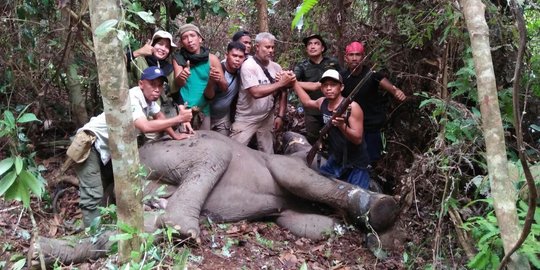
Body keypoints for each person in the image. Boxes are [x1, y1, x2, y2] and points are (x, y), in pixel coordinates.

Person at [67, 66, 193, 227]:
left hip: (108, 149)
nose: (157, 89)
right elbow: (145, 127)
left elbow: (159, 115)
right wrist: (178, 119)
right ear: (141, 84)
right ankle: (92, 236)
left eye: (160, 85)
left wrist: (175, 135)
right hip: (90, 144)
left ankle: (105, 221)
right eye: (152, 84)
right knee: (93, 193)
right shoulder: (132, 98)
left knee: (109, 185)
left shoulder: (149, 100)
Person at [292, 69, 371, 188]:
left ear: (341, 87)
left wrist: (342, 126)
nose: (329, 88)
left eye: (333, 85)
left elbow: (358, 139)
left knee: (359, 197)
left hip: (356, 162)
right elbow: (307, 102)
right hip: (336, 158)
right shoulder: (322, 102)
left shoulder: (352, 107)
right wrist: (294, 83)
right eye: (325, 85)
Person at [230, 32, 295, 154]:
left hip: (266, 117)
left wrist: (280, 116)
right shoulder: (248, 66)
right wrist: (280, 83)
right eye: (267, 47)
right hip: (246, 117)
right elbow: (255, 92)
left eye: (272, 47)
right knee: (235, 151)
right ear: (257, 47)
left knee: (268, 153)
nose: (270, 50)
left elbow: (283, 93)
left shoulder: (276, 67)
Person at [341, 41, 406, 164]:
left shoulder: (372, 74)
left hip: (371, 125)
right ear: (346, 57)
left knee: (372, 159)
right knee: (352, 158)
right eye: (351, 55)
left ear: (363, 57)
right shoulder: (342, 76)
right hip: (351, 125)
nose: (354, 58)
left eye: (358, 55)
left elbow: (389, 86)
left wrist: (396, 91)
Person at [173, 23, 227, 130]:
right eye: (185, 37)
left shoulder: (211, 59)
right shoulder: (178, 59)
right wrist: (182, 76)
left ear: (200, 39)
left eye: (192, 35)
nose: (189, 40)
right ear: (181, 43)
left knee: (204, 143)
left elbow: (225, 87)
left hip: (203, 110)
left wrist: (218, 79)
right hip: (183, 110)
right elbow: (178, 84)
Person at [293, 34, 341, 144]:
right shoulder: (302, 66)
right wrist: (313, 85)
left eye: (316, 43)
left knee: (335, 139)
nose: (312, 46)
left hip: (332, 109)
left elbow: (342, 80)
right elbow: (292, 81)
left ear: (322, 48)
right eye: (309, 44)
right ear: (306, 49)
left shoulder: (332, 63)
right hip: (312, 111)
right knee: (313, 140)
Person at [209, 41, 246, 136]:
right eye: (234, 56)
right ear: (226, 55)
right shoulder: (217, 69)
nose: (237, 59)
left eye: (240, 57)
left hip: (223, 117)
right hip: (207, 114)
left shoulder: (242, 72)